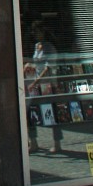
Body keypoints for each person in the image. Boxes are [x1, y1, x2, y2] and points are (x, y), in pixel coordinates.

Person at [24, 20, 63, 154]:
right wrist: (29, 66)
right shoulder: (37, 46)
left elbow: (48, 68)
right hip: (37, 84)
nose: (34, 34)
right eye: (33, 32)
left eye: (36, 31)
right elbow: (38, 64)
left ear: (42, 32)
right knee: (30, 112)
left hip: (47, 85)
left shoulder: (49, 47)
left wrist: (36, 82)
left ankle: (57, 143)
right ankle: (33, 142)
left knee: (50, 113)